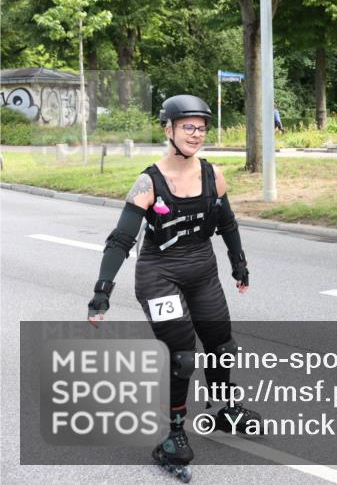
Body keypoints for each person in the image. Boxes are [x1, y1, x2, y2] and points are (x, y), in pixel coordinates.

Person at [86, 94, 260, 477]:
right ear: (169, 130)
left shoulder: (213, 174)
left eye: (201, 128)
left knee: (222, 345)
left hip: (202, 271)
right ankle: (173, 435)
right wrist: (102, 291)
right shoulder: (148, 182)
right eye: (188, 127)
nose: (196, 134)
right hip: (159, 276)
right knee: (184, 356)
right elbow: (120, 240)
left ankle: (223, 409)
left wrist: (239, 264)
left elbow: (228, 224)